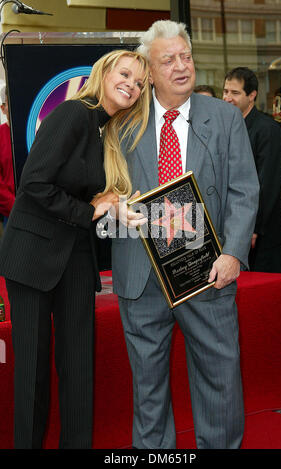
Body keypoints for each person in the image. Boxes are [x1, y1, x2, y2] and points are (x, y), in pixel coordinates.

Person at [112, 20, 259, 449]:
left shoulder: (226, 118)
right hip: (141, 276)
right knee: (149, 392)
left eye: (186, 57)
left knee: (220, 383)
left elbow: (245, 191)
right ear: (149, 71)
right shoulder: (121, 123)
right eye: (168, 60)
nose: (181, 66)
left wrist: (232, 253)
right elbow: (103, 190)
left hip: (208, 272)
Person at [0, 49, 150, 449]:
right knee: (32, 373)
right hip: (33, 257)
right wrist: (90, 210)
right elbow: (34, 186)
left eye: (139, 83)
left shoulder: (107, 130)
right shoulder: (71, 114)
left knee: (79, 369)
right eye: (125, 74)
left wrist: (113, 207)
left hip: (75, 260)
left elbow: (90, 195)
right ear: (103, 72)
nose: (131, 86)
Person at [223, 67, 281, 273]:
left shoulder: (267, 129)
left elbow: (267, 184)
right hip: (232, 230)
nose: (227, 98)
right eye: (225, 91)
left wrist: (253, 228)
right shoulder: (225, 127)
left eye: (235, 93)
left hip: (262, 232)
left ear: (252, 96)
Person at [0, 86, 15, 228]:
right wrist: (15, 206)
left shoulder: (35, 132)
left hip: (43, 211)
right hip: (12, 214)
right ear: (3, 108)